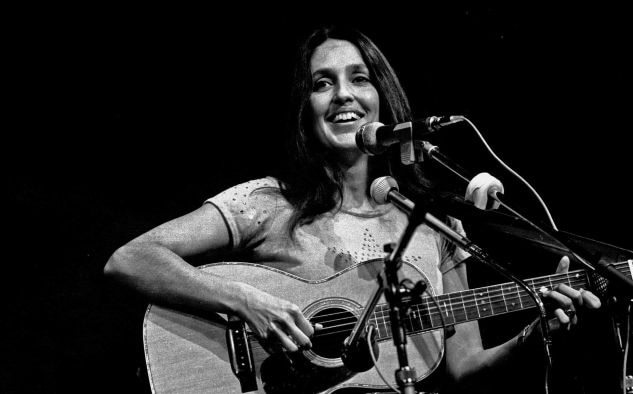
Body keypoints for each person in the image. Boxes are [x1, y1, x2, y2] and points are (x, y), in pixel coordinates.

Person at [104, 25, 601, 393]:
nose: (343, 94)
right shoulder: (267, 203)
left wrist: (537, 333)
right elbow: (130, 259)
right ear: (306, 106)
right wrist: (244, 300)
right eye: (322, 83)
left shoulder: (432, 220)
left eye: (359, 79)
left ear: (382, 99)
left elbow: (464, 366)